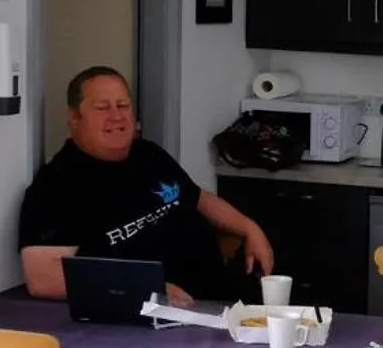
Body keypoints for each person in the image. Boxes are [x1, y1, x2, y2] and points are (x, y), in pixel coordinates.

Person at [18, 66, 274, 303]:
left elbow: (198, 198)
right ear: (74, 117)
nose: (116, 116)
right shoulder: (55, 186)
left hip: (218, 295)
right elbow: (43, 279)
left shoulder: (149, 155)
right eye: (102, 108)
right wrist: (147, 291)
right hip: (153, 313)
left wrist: (249, 228)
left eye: (123, 105)